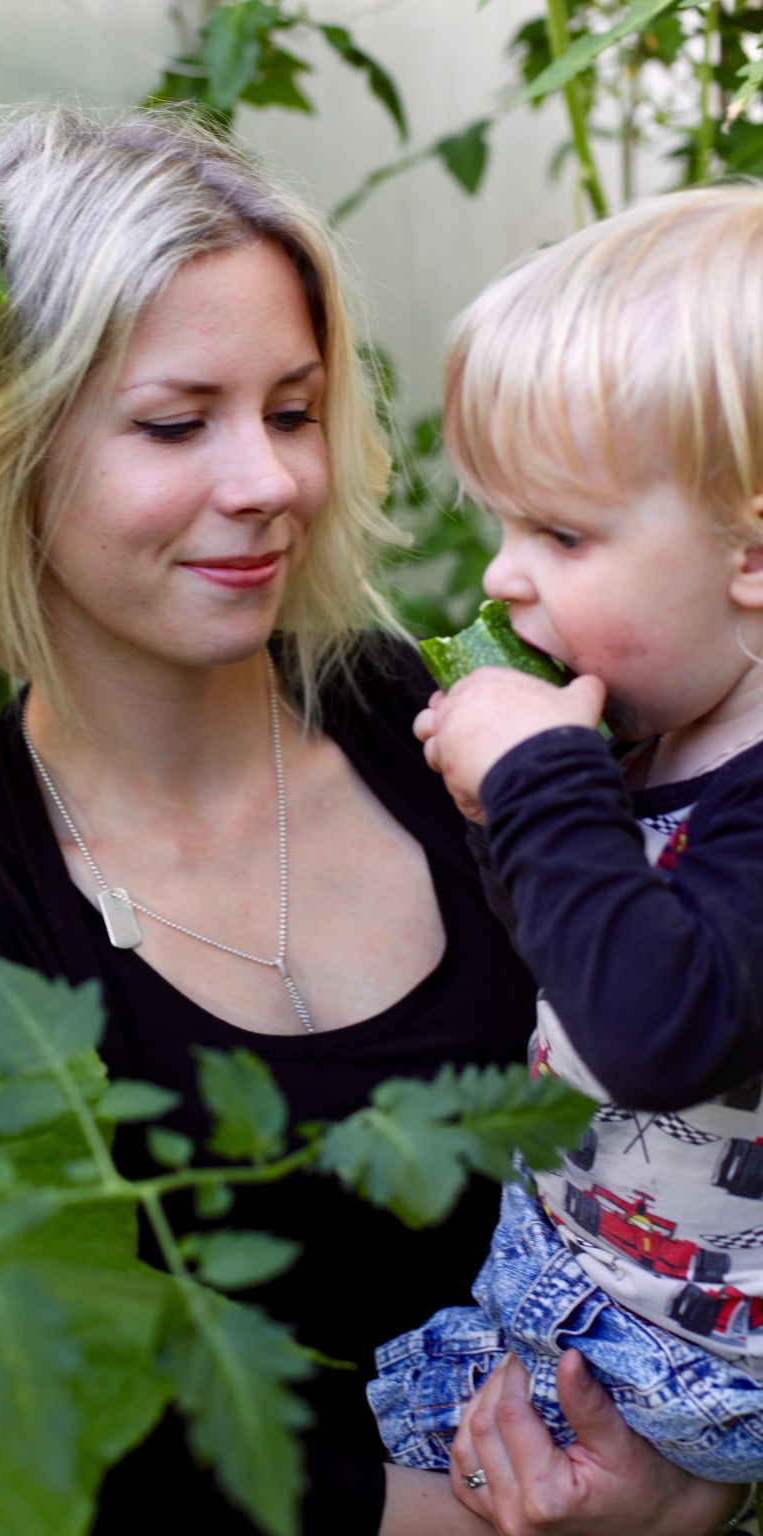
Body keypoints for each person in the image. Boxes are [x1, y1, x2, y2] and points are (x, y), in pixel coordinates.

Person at [0, 103, 742, 1535]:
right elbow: (78, 1436)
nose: (271, 484)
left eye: (295, 411)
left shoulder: (426, 713)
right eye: (179, 423)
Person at [371, 185, 763, 1529]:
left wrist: (542, 784)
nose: (500, 580)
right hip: (584, 1280)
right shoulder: (668, 736)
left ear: (753, 552)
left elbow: (660, 1028)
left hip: (686, 1362)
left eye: (562, 535)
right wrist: (510, 823)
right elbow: (575, 958)